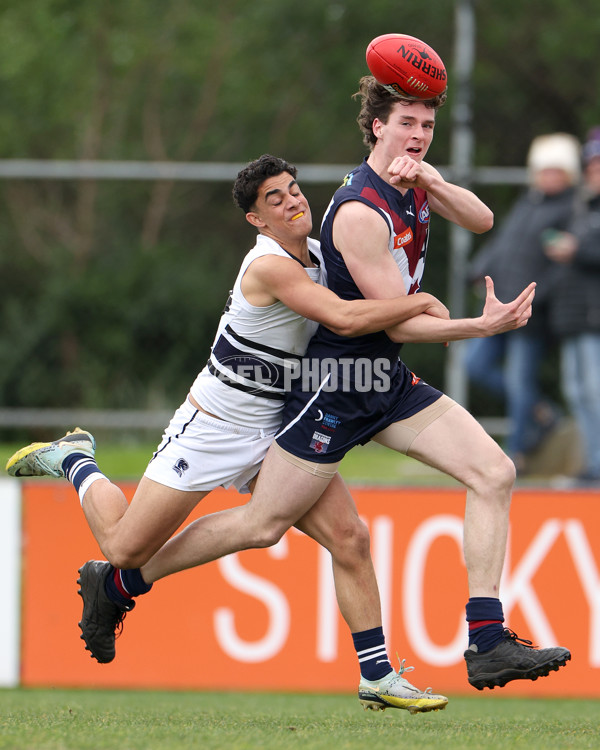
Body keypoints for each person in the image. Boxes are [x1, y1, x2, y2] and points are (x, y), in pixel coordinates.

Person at [7, 97, 558, 697]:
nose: (294, 201)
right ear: (256, 220)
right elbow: (349, 319)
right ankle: (79, 465)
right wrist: (441, 311)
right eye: (276, 199)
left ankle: (434, 657)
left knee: (403, 511)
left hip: (300, 405)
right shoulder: (271, 264)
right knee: (124, 546)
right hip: (222, 417)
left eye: (295, 189)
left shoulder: (320, 249)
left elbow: (468, 228)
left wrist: (426, 181)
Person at [466, 133, 582, 473]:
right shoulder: (528, 202)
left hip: (530, 313)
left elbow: (563, 269)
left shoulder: (570, 209)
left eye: (556, 171)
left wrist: (535, 299)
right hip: (499, 304)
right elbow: (503, 242)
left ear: (568, 174)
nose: (549, 177)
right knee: (475, 365)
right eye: (544, 170)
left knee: (520, 381)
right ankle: (542, 412)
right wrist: (479, 269)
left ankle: (515, 455)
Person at [545, 128, 600, 485]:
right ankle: (592, 467)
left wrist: (575, 250)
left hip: (595, 318)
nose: (594, 173)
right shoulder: (583, 207)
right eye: (591, 166)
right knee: (577, 394)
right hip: (575, 317)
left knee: (595, 394)